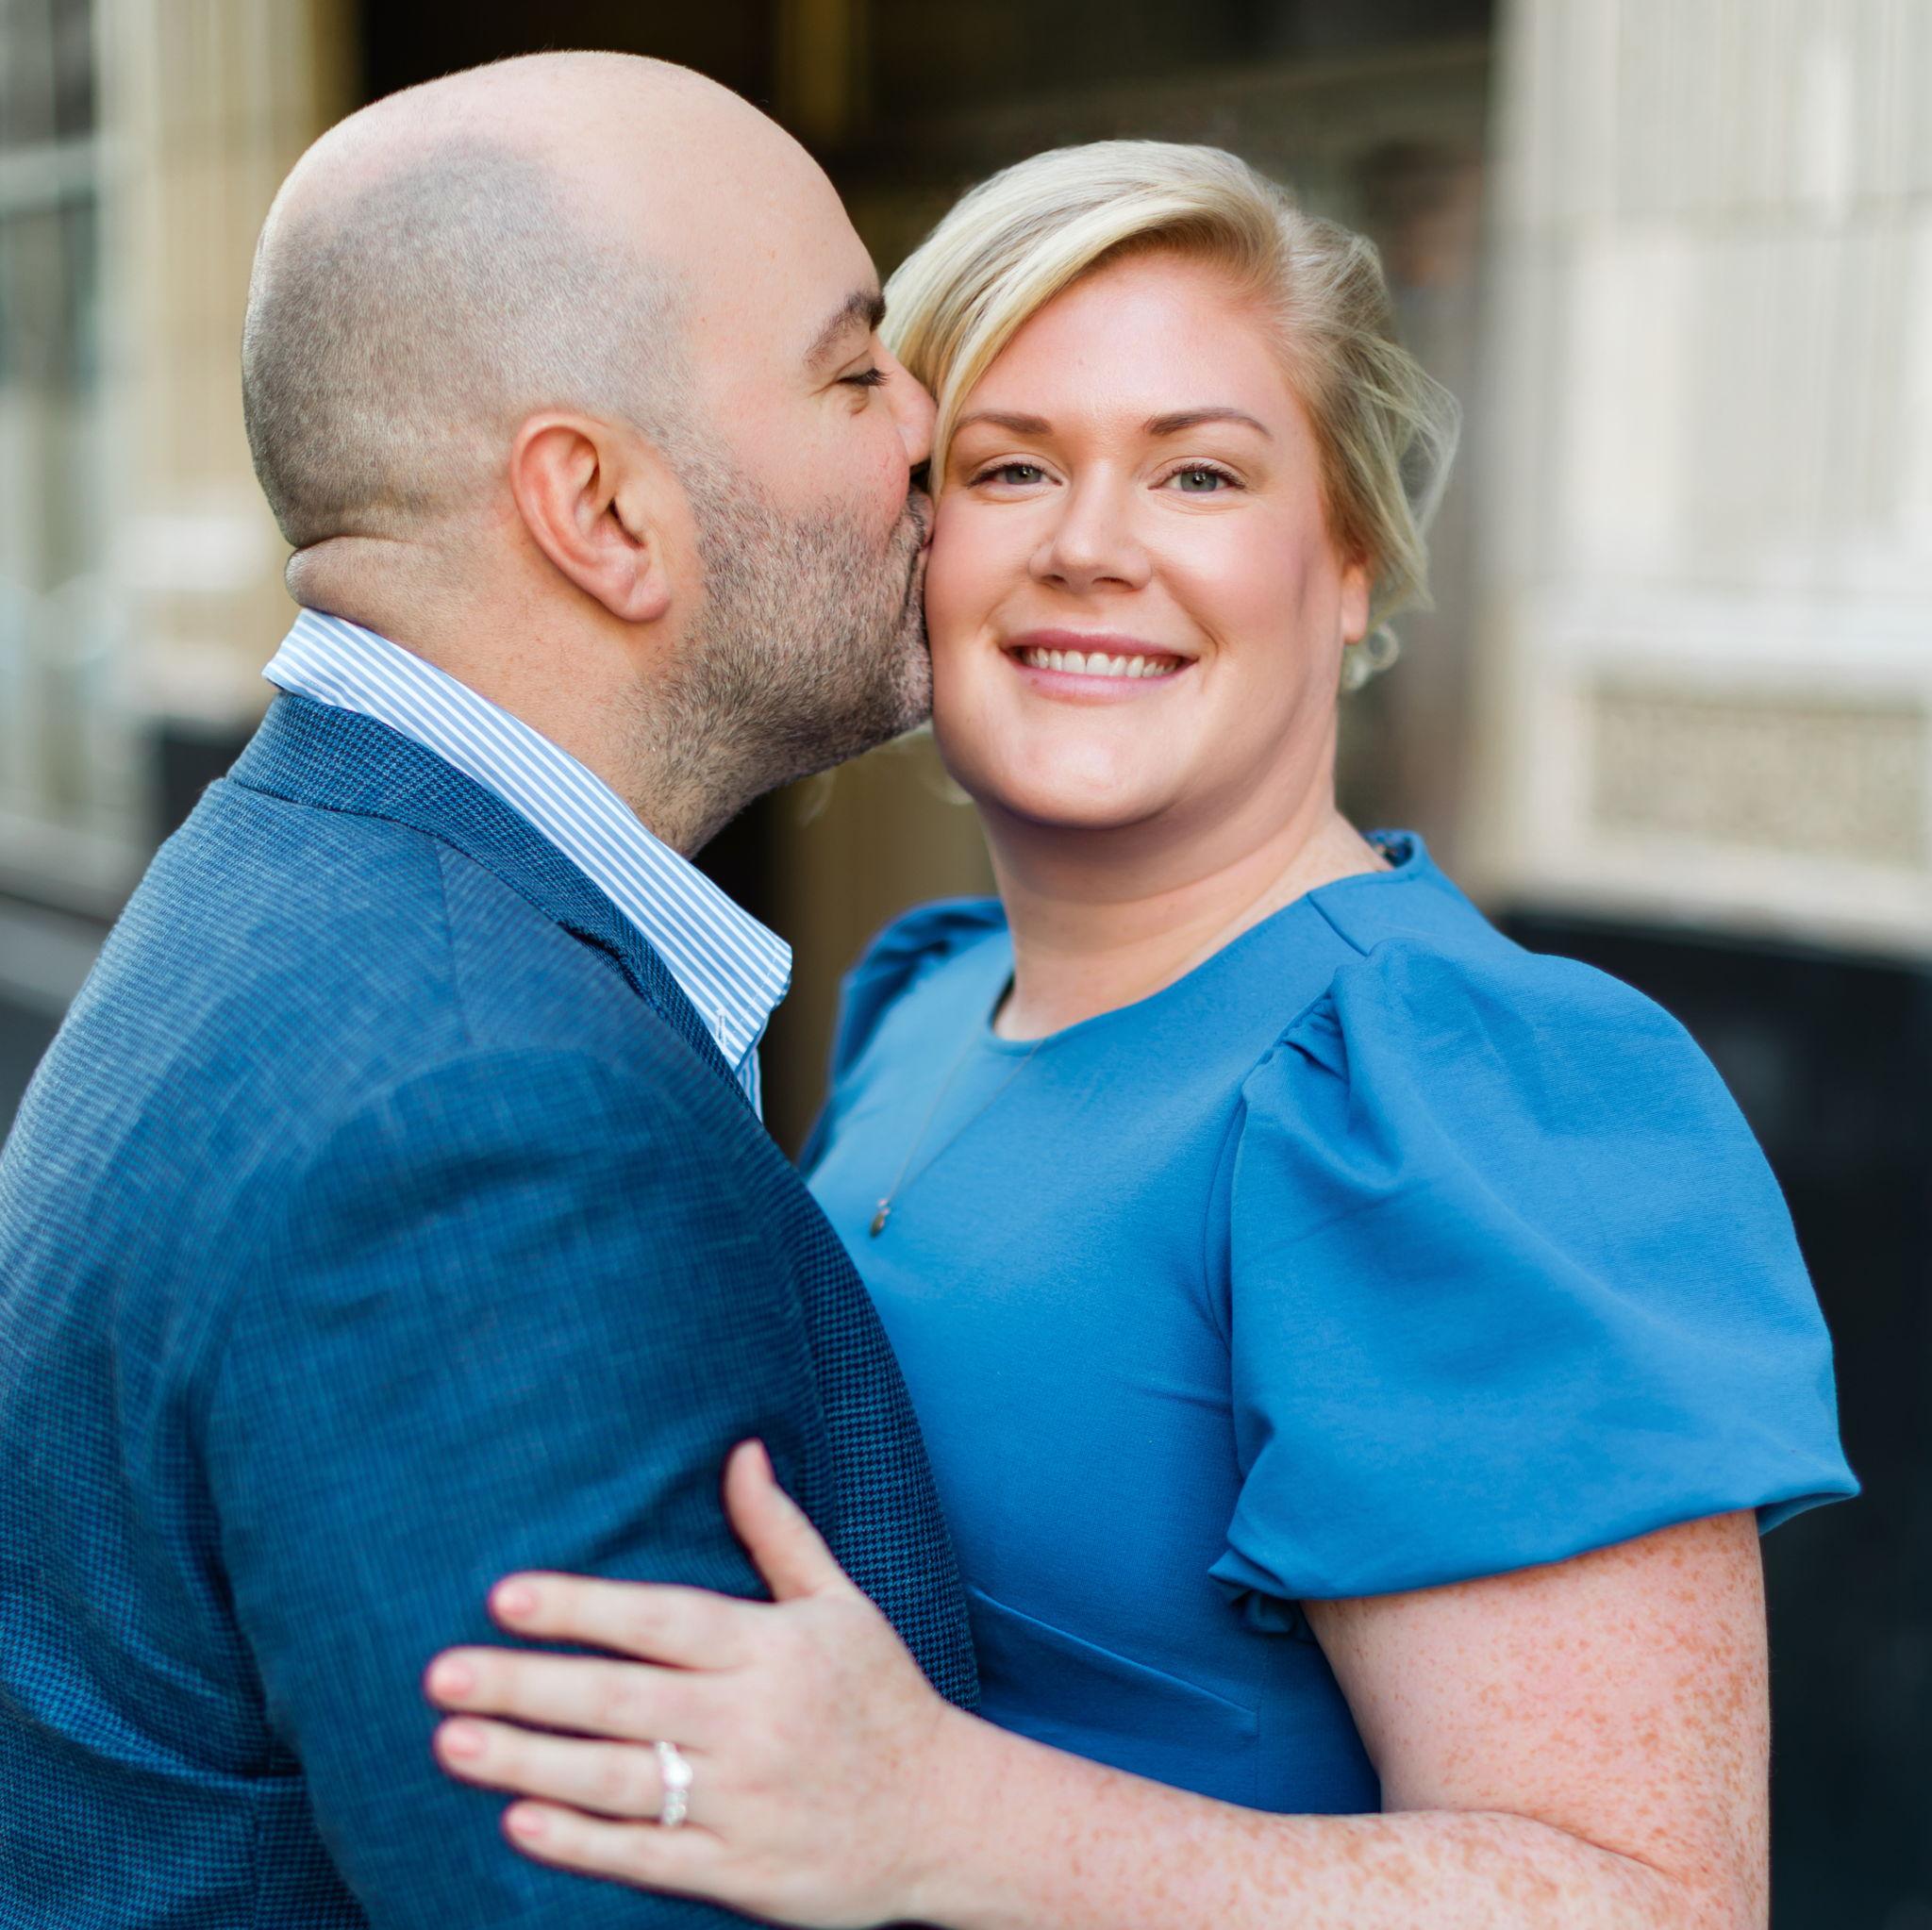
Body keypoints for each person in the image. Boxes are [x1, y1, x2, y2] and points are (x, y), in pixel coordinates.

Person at [424, 141, 1859, 1927]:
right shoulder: (926, 1000)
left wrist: (947, 1814)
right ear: (913, 542)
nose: (1091, 547)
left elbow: (1649, 1900)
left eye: (1199, 472)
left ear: (1347, 564)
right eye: (1010, 466)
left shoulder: (1455, 1084)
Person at [0, 52, 977, 1927]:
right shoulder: (484, 1119)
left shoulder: (291, 887)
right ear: (598, 509)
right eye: (855, 369)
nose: (928, 426)